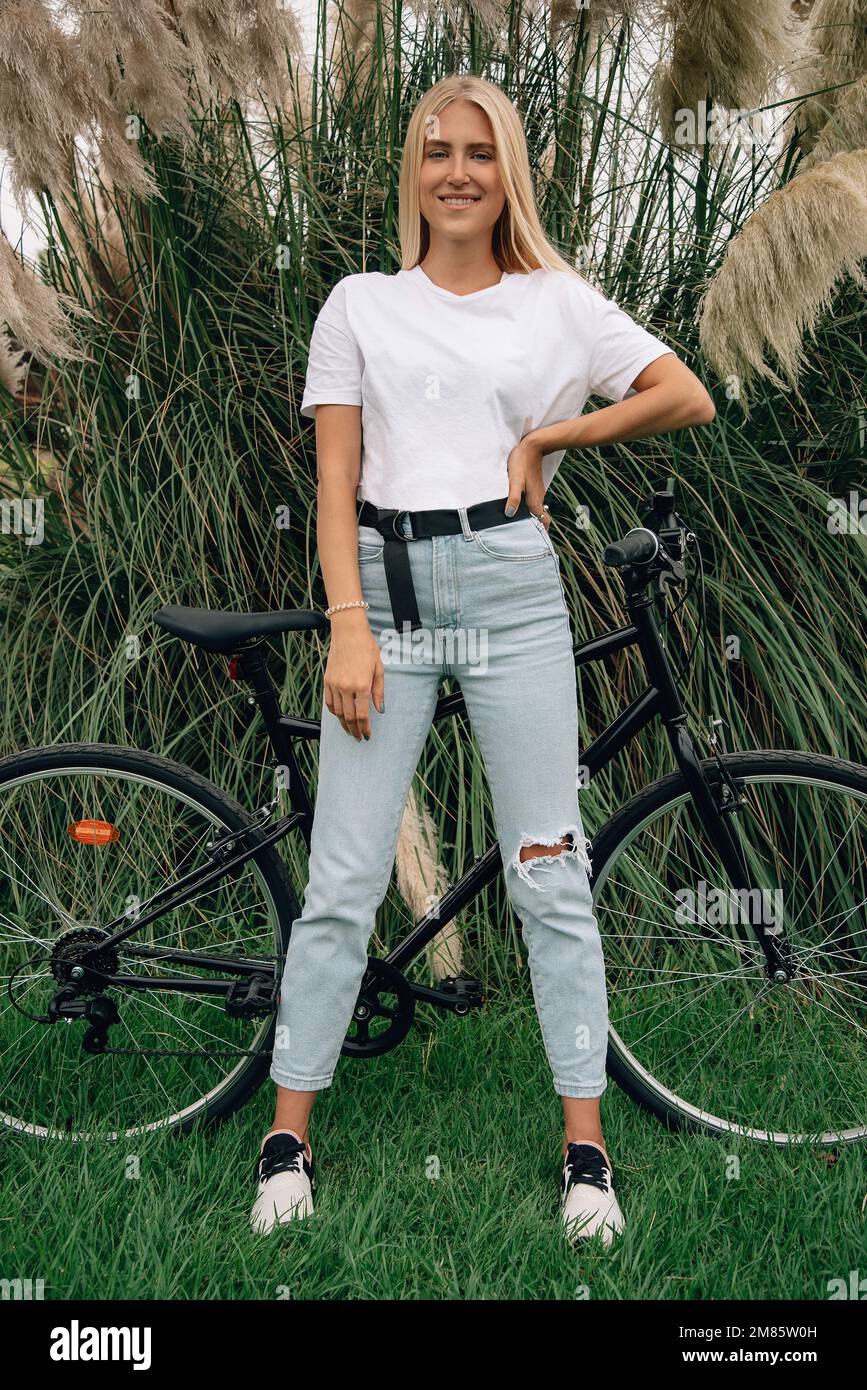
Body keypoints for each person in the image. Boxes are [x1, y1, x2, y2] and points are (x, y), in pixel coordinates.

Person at [250, 73, 715, 1245]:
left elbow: (684, 393)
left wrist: (557, 431)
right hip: (388, 596)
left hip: (512, 589)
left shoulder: (558, 304)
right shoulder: (359, 302)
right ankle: (288, 1138)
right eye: (435, 151)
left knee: (548, 873)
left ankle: (588, 1155)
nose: (457, 170)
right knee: (346, 876)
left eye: (480, 152)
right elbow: (334, 487)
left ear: (510, 170)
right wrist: (345, 622)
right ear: (414, 172)